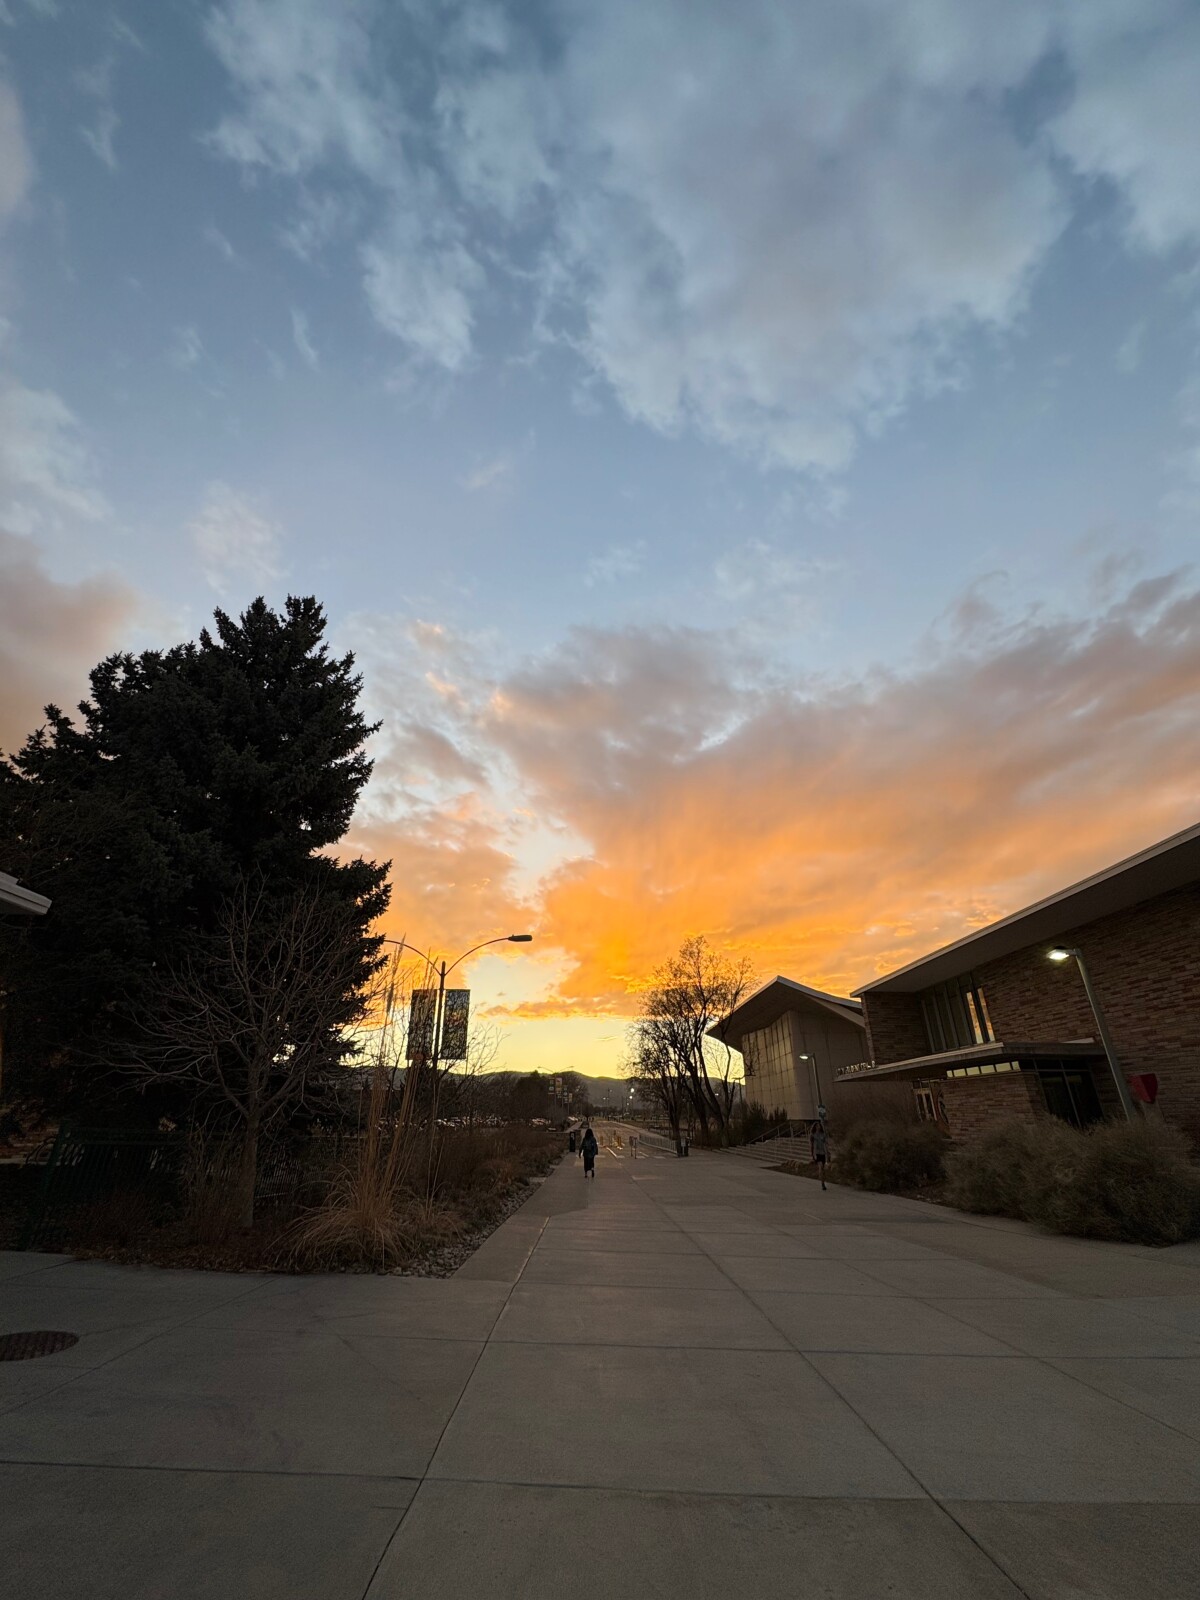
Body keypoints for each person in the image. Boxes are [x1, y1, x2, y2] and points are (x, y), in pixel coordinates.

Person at [810, 1119, 828, 1191]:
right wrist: (812, 1155)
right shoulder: (813, 1135)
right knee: (820, 1167)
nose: (818, 1127)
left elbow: (825, 1144)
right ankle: (822, 1184)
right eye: (817, 1126)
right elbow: (811, 1145)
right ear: (815, 1127)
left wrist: (827, 1152)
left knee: (823, 1169)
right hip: (817, 1153)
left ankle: (822, 1179)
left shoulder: (823, 1134)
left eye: (819, 1126)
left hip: (823, 1152)